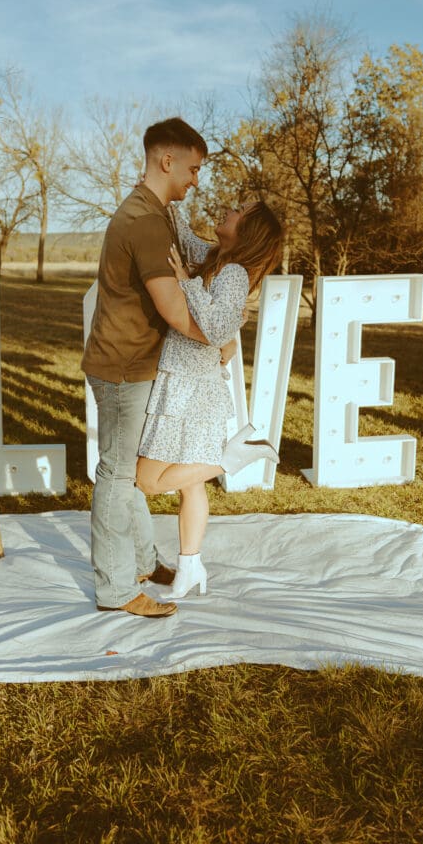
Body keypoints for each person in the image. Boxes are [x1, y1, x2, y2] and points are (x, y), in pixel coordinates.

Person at [83, 117, 233, 619]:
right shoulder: (144, 222)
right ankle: (115, 588)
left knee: (126, 472)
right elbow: (174, 310)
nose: (196, 180)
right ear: (166, 161)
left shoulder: (159, 212)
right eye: (192, 169)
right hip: (124, 367)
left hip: (138, 364)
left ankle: (144, 562)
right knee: (116, 474)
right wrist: (220, 337)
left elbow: (201, 261)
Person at [135, 200, 283, 600]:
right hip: (191, 380)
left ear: (248, 230)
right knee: (190, 486)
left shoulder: (233, 273)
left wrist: (187, 283)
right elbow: (183, 240)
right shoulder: (216, 256)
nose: (228, 209)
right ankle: (190, 566)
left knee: (146, 481)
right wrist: (164, 198)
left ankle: (231, 459)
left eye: (239, 211)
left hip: (190, 387)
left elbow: (216, 330)